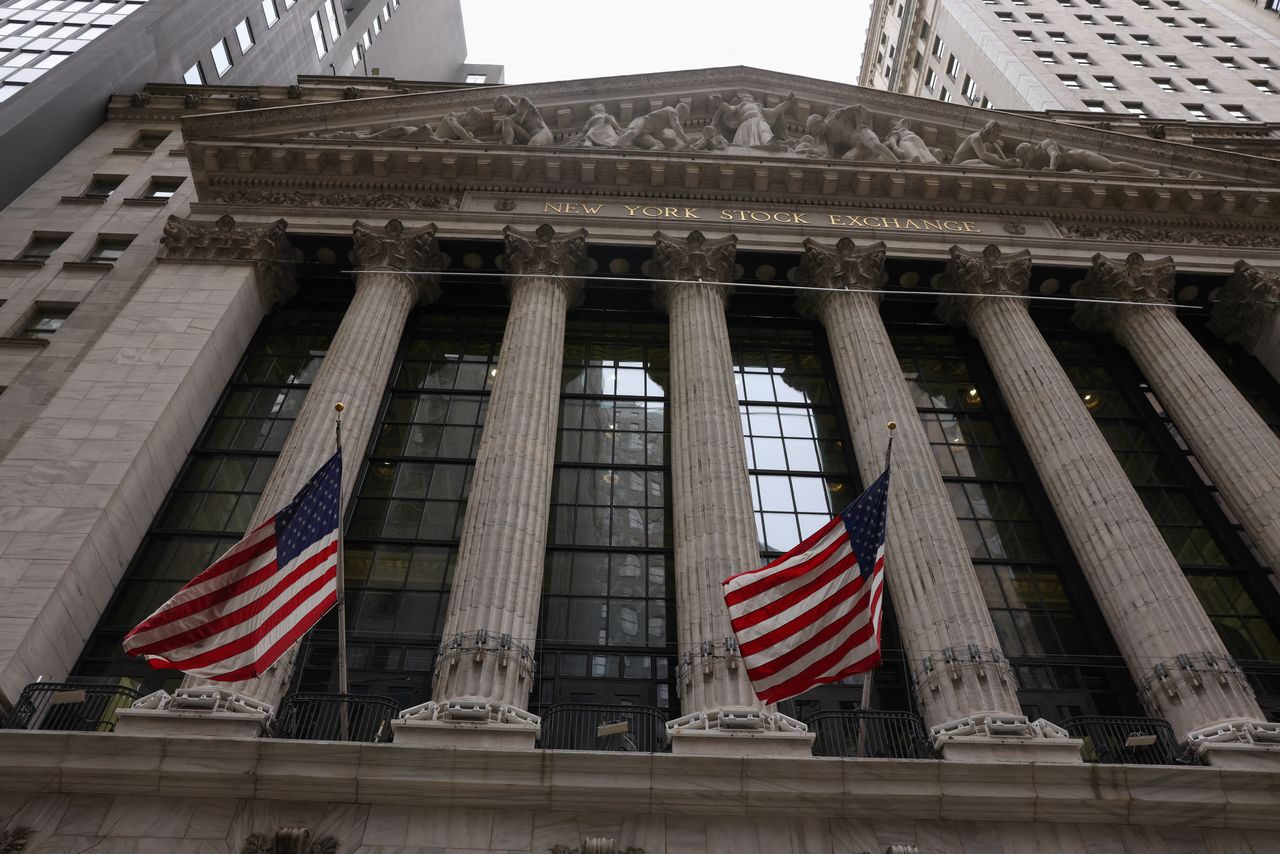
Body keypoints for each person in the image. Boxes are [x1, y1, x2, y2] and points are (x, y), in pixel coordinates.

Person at [1014, 139, 1160, 176]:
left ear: (1029, 149)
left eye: (1024, 155)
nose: (1026, 159)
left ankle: (1148, 172)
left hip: (1081, 158)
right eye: (1023, 158)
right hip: (1074, 171)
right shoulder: (1032, 163)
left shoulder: (1045, 144)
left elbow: (1055, 154)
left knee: (1111, 166)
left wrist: (1052, 169)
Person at [710, 92, 795, 147]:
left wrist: (787, 102)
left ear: (753, 100)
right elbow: (728, 108)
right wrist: (720, 103)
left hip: (759, 121)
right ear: (741, 100)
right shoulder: (739, 107)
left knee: (764, 132)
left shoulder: (758, 107)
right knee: (742, 138)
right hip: (745, 123)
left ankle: (768, 144)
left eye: (750, 97)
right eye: (745, 97)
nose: (747, 97)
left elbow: (775, 111)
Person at [616, 102, 694, 150]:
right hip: (641, 122)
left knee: (659, 146)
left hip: (644, 134)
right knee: (633, 132)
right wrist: (687, 141)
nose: (681, 120)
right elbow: (677, 128)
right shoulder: (672, 111)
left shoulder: (665, 124)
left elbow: (661, 135)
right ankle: (615, 146)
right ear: (681, 112)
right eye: (683, 117)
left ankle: (646, 162)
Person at [951, 121, 1020, 168]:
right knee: (980, 161)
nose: (997, 139)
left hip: (967, 166)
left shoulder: (989, 142)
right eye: (996, 135)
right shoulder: (976, 137)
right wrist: (1004, 163)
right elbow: (983, 156)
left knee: (992, 158)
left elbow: (1003, 159)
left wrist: (1007, 162)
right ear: (990, 131)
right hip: (957, 167)